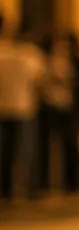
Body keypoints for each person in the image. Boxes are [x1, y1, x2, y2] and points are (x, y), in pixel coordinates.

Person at [0, 15, 45, 201]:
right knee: (24, 151)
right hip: (24, 108)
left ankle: (5, 187)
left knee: (4, 150)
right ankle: (26, 188)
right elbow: (39, 82)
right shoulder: (31, 55)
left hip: (3, 107)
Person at [36, 34, 79, 194]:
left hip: (67, 107)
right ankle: (44, 181)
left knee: (70, 144)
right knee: (45, 146)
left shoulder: (75, 63)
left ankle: (72, 182)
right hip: (50, 107)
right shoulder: (43, 62)